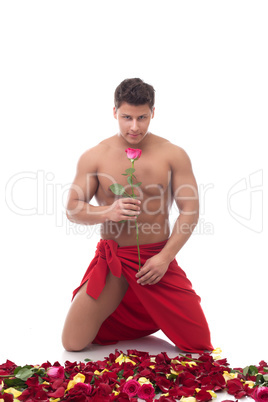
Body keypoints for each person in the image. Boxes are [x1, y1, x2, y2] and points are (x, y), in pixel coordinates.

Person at [62, 78, 213, 353]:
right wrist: (108, 211)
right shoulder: (95, 156)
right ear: (114, 112)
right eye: (127, 117)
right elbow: (73, 208)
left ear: (153, 112)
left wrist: (165, 259)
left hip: (156, 260)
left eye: (142, 117)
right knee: (72, 343)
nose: (134, 126)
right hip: (115, 260)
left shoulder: (173, 154)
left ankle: (152, 312)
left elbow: (190, 210)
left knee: (198, 345)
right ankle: (133, 313)